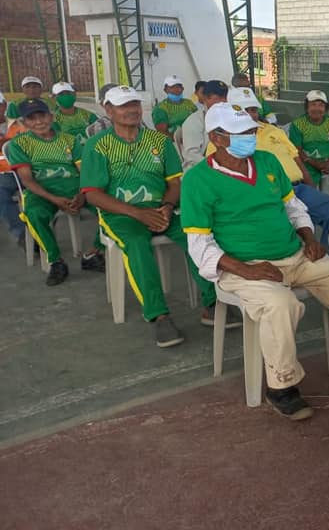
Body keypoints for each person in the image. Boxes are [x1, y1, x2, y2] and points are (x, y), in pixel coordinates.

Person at [182, 103, 329, 420]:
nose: (250, 137)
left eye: (251, 131)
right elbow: (199, 245)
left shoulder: (267, 161)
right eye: (241, 133)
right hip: (242, 267)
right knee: (281, 304)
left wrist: (310, 238)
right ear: (216, 137)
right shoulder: (198, 180)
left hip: (294, 255)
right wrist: (248, 270)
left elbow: (293, 208)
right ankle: (282, 385)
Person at [80, 85, 218, 348]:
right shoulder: (98, 145)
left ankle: (213, 303)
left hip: (161, 209)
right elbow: (93, 194)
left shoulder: (160, 142)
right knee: (136, 244)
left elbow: (175, 182)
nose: (131, 110)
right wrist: (137, 213)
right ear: (108, 110)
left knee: (197, 234)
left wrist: (166, 206)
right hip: (120, 214)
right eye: (123, 105)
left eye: (134, 104)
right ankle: (159, 315)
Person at [226, 86, 329, 248]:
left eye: (253, 110)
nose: (251, 114)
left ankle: (326, 255)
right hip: (266, 195)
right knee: (282, 229)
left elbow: (296, 158)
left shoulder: (274, 131)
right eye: (244, 110)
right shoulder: (225, 139)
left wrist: (310, 186)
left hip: (297, 188)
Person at [5, 99, 105, 285]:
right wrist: (54, 199)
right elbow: (27, 180)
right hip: (42, 191)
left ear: (51, 117)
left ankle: (93, 253)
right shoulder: (19, 144)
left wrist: (82, 194)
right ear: (24, 122)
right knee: (33, 214)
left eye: (42, 115)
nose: (38, 122)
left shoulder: (70, 140)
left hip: (75, 187)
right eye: (31, 118)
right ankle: (56, 260)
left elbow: (84, 172)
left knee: (109, 206)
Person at [289, 90, 329, 188]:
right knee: (308, 186)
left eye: (321, 105)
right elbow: (296, 149)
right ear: (307, 107)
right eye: (313, 105)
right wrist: (313, 162)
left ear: (326, 108)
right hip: (307, 162)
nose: (317, 109)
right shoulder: (297, 124)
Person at [180, 80, 229, 169]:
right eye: (219, 97)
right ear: (206, 98)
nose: (224, 101)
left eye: (225, 96)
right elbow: (192, 155)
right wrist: (216, 167)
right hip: (200, 167)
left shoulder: (229, 117)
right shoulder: (193, 121)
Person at [0, 91, 28, 248]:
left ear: (4, 105)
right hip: (4, 175)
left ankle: (39, 227)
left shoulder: (19, 125)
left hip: (26, 170)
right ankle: (22, 234)